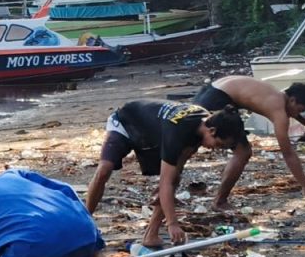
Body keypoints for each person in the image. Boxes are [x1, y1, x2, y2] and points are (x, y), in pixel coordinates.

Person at [84, 100, 245, 247]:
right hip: (126, 123)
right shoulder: (179, 132)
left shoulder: (201, 125)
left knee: (172, 181)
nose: (216, 148)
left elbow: (174, 173)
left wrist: (165, 188)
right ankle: (83, 222)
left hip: (152, 138)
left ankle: (151, 235)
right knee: (104, 169)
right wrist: (172, 223)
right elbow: (165, 183)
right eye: (219, 144)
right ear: (212, 130)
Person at [193, 76, 305, 208]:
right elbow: (288, 153)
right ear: (292, 100)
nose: (297, 114)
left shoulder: (278, 95)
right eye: (300, 110)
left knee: (189, 142)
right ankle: (220, 201)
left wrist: (304, 121)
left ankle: (172, 194)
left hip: (210, 90)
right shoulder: (279, 111)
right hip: (218, 99)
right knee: (243, 153)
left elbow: (290, 110)